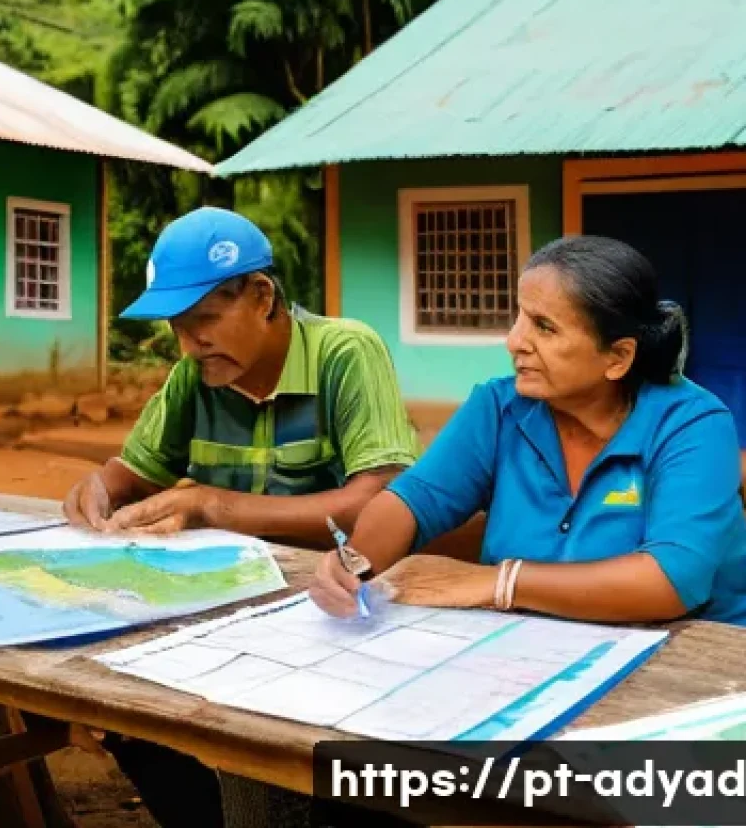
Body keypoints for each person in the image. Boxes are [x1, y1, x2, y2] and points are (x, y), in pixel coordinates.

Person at [64, 206, 421, 828]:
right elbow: (131, 474)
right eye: (177, 326)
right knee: (126, 716)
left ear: (261, 296)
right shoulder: (193, 376)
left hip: (336, 616)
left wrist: (212, 505)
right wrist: (99, 487)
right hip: (227, 617)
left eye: (204, 320)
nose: (189, 343)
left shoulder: (346, 353)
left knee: (322, 773)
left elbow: (380, 501)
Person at [311, 234, 746, 630]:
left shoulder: (691, 425)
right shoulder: (500, 408)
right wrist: (356, 561)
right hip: (528, 648)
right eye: (519, 316)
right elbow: (414, 500)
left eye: (544, 326)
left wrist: (500, 583)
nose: (515, 341)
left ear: (617, 357)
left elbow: (670, 580)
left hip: (692, 657)